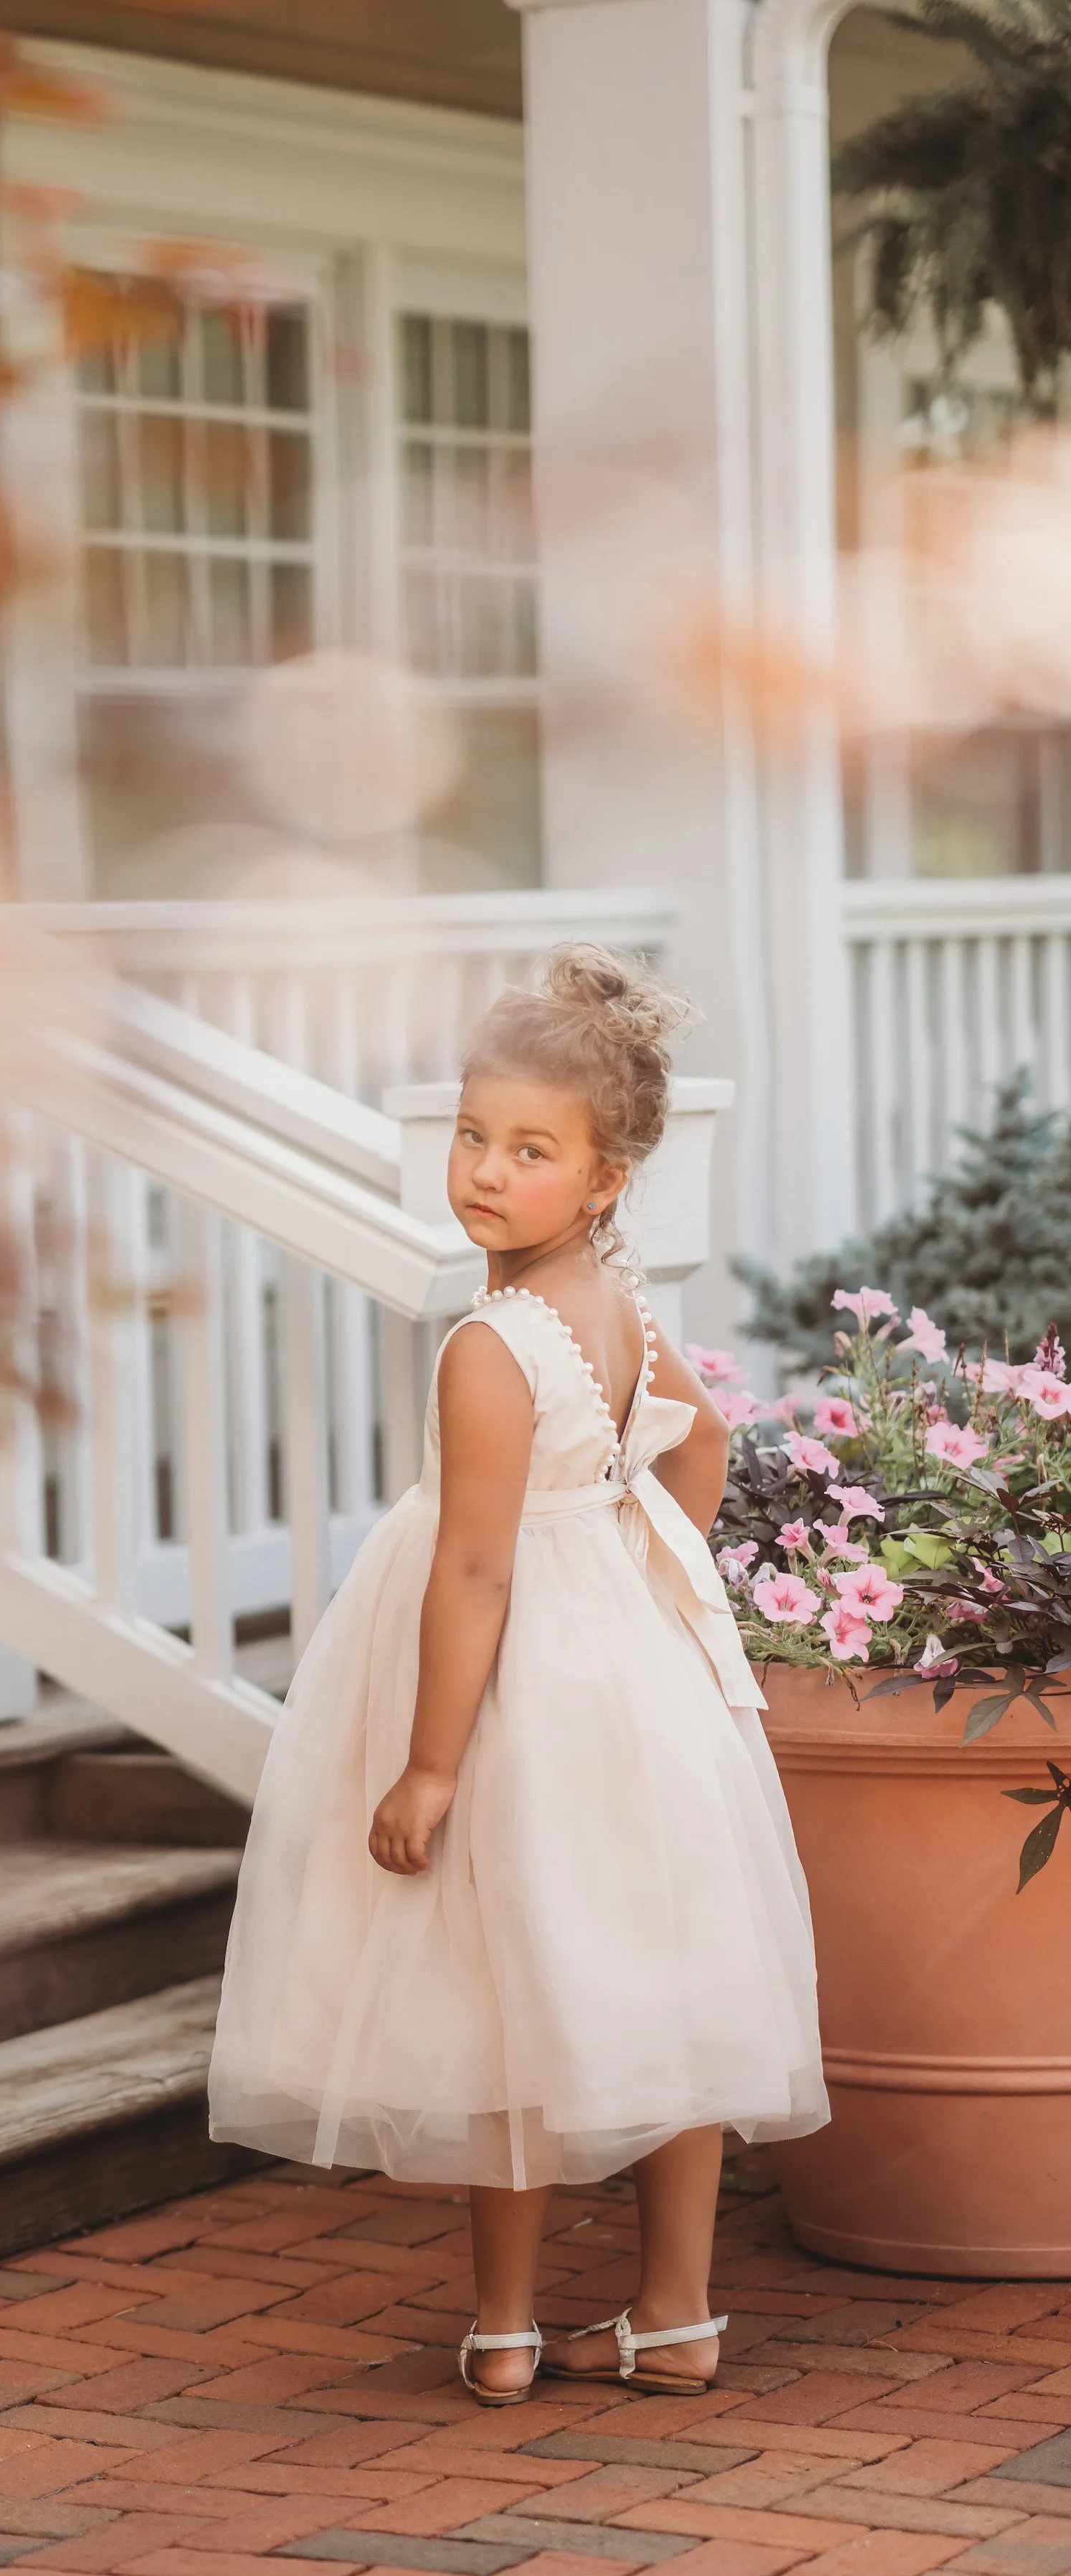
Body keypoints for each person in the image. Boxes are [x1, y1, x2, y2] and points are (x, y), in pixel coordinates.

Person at [208, 943, 827, 2406]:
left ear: (604, 1179)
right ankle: (671, 2315)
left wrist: (426, 1766)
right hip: (633, 1673)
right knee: (664, 1980)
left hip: (519, 1700)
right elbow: (697, 1443)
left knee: (504, 1981)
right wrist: (631, 1565)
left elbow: (472, 1573)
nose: (485, 1170)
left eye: (530, 1150)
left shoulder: (488, 1347)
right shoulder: (620, 1308)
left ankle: (502, 2324)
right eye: (473, 1136)